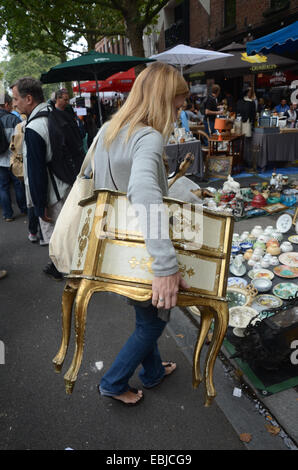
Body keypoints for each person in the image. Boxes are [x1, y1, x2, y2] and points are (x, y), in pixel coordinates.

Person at [92, 62, 189, 405]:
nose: (180, 112)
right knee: (150, 323)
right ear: (163, 100)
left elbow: (92, 182)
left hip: (117, 249)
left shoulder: (108, 130)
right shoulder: (147, 135)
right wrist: (166, 265)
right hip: (145, 250)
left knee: (144, 314)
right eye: (178, 105)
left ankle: (152, 373)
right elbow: (144, 191)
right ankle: (113, 382)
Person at [11, 77, 71, 280]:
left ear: (28, 98)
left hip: (52, 192)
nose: (14, 103)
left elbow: (35, 171)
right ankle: (63, 267)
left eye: (16, 98)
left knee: (57, 235)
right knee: (67, 231)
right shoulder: (54, 113)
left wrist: (39, 204)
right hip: (66, 184)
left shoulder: (33, 128)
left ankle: (64, 270)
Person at [0, 93, 27, 221]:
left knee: (3, 187)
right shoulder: (13, 119)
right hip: (13, 159)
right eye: (11, 104)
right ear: (6, 104)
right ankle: (23, 208)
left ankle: (7, 214)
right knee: (18, 185)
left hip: (0, 160)